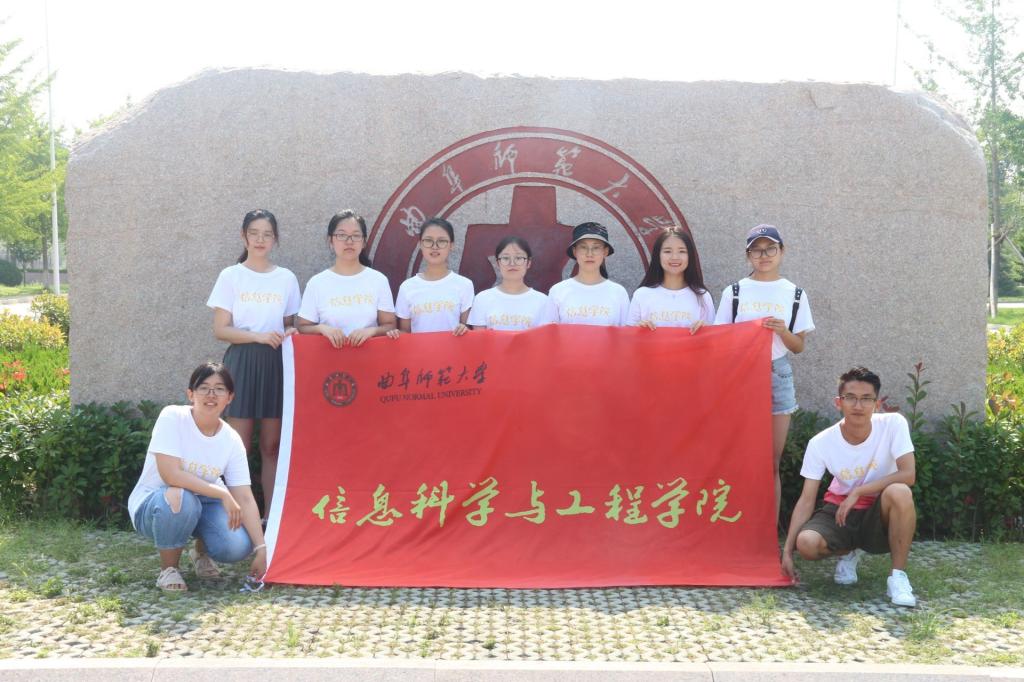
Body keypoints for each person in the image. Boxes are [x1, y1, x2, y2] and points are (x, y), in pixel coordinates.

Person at [781, 367, 918, 607]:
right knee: (807, 544)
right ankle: (848, 551)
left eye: (866, 399)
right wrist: (787, 551)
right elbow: (806, 500)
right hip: (840, 510)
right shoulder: (821, 443)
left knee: (900, 491)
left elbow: (908, 474)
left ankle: (897, 578)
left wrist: (859, 491)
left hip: (879, 512)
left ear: (877, 404)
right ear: (839, 402)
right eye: (851, 398)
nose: (858, 405)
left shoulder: (893, 424)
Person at [127, 363, 267, 592]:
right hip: (156, 503)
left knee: (237, 546)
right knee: (181, 497)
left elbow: (244, 497)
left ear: (230, 397)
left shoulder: (231, 440)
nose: (211, 394)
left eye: (219, 389)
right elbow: (171, 475)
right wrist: (222, 493)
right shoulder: (173, 417)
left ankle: (200, 552)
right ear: (190, 394)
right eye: (204, 387)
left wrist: (261, 548)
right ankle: (169, 570)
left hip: (205, 503)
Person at [714, 224, 814, 519]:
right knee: (737, 458)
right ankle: (735, 523)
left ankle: (766, 529)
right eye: (756, 250)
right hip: (739, 375)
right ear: (748, 256)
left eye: (770, 248)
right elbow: (719, 341)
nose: (764, 255)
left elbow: (799, 347)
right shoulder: (734, 292)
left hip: (777, 373)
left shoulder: (795, 294)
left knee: (771, 461)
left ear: (782, 251)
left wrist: (782, 331)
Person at [207, 209, 300, 517]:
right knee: (239, 448)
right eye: (254, 233)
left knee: (272, 447)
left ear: (275, 239)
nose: (260, 240)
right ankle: (230, 520)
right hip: (242, 363)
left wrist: (290, 332)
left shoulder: (286, 278)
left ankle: (271, 522)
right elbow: (221, 330)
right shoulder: (230, 276)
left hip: (276, 364)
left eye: (267, 234)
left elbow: (290, 325)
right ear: (243, 236)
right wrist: (258, 336)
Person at [297, 210, 397, 346]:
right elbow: (302, 327)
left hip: (370, 355)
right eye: (342, 235)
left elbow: (390, 325)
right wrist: (322, 328)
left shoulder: (378, 280)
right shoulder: (317, 283)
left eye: (356, 236)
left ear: (364, 242)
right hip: (329, 356)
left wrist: (372, 331)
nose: (349, 241)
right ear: (330, 241)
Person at [389, 218, 474, 337]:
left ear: (451, 245)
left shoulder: (464, 285)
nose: (434, 247)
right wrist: (396, 334)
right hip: (419, 349)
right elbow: (405, 332)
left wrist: (464, 329)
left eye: (441, 241)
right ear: (420, 244)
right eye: (428, 241)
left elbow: (468, 329)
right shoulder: (407, 287)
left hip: (453, 349)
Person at [628, 226, 714, 333]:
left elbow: (713, 339)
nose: (674, 257)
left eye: (682, 251)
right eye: (667, 251)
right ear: (658, 255)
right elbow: (628, 338)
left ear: (690, 256)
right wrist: (637, 329)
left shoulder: (702, 296)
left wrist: (706, 330)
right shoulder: (641, 295)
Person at [548, 222, 629, 326]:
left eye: (596, 248)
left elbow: (626, 333)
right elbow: (550, 333)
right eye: (583, 247)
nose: (589, 254)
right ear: (574, 252)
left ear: (605, 252)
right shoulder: (558, 291)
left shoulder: (618, 293)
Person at [467, 236, 556, 331]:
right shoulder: (482, 299)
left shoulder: (543, 302)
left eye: (518, 258)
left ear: (529, 263)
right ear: (498, 263)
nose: (512, 263)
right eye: (506, 258)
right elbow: (479, 338)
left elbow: (544, 338)